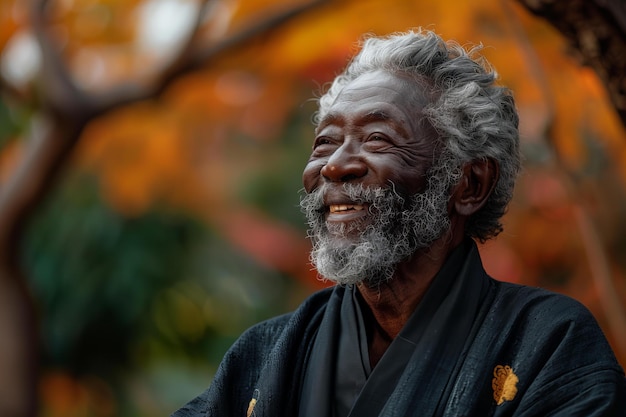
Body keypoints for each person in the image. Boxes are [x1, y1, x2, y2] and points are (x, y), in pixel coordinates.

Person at [172, 29, 626, 417]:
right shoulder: (265, 354)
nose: (334, 166)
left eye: (377, 138)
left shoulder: (548, 344)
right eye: (325, 142)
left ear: (469, 183)